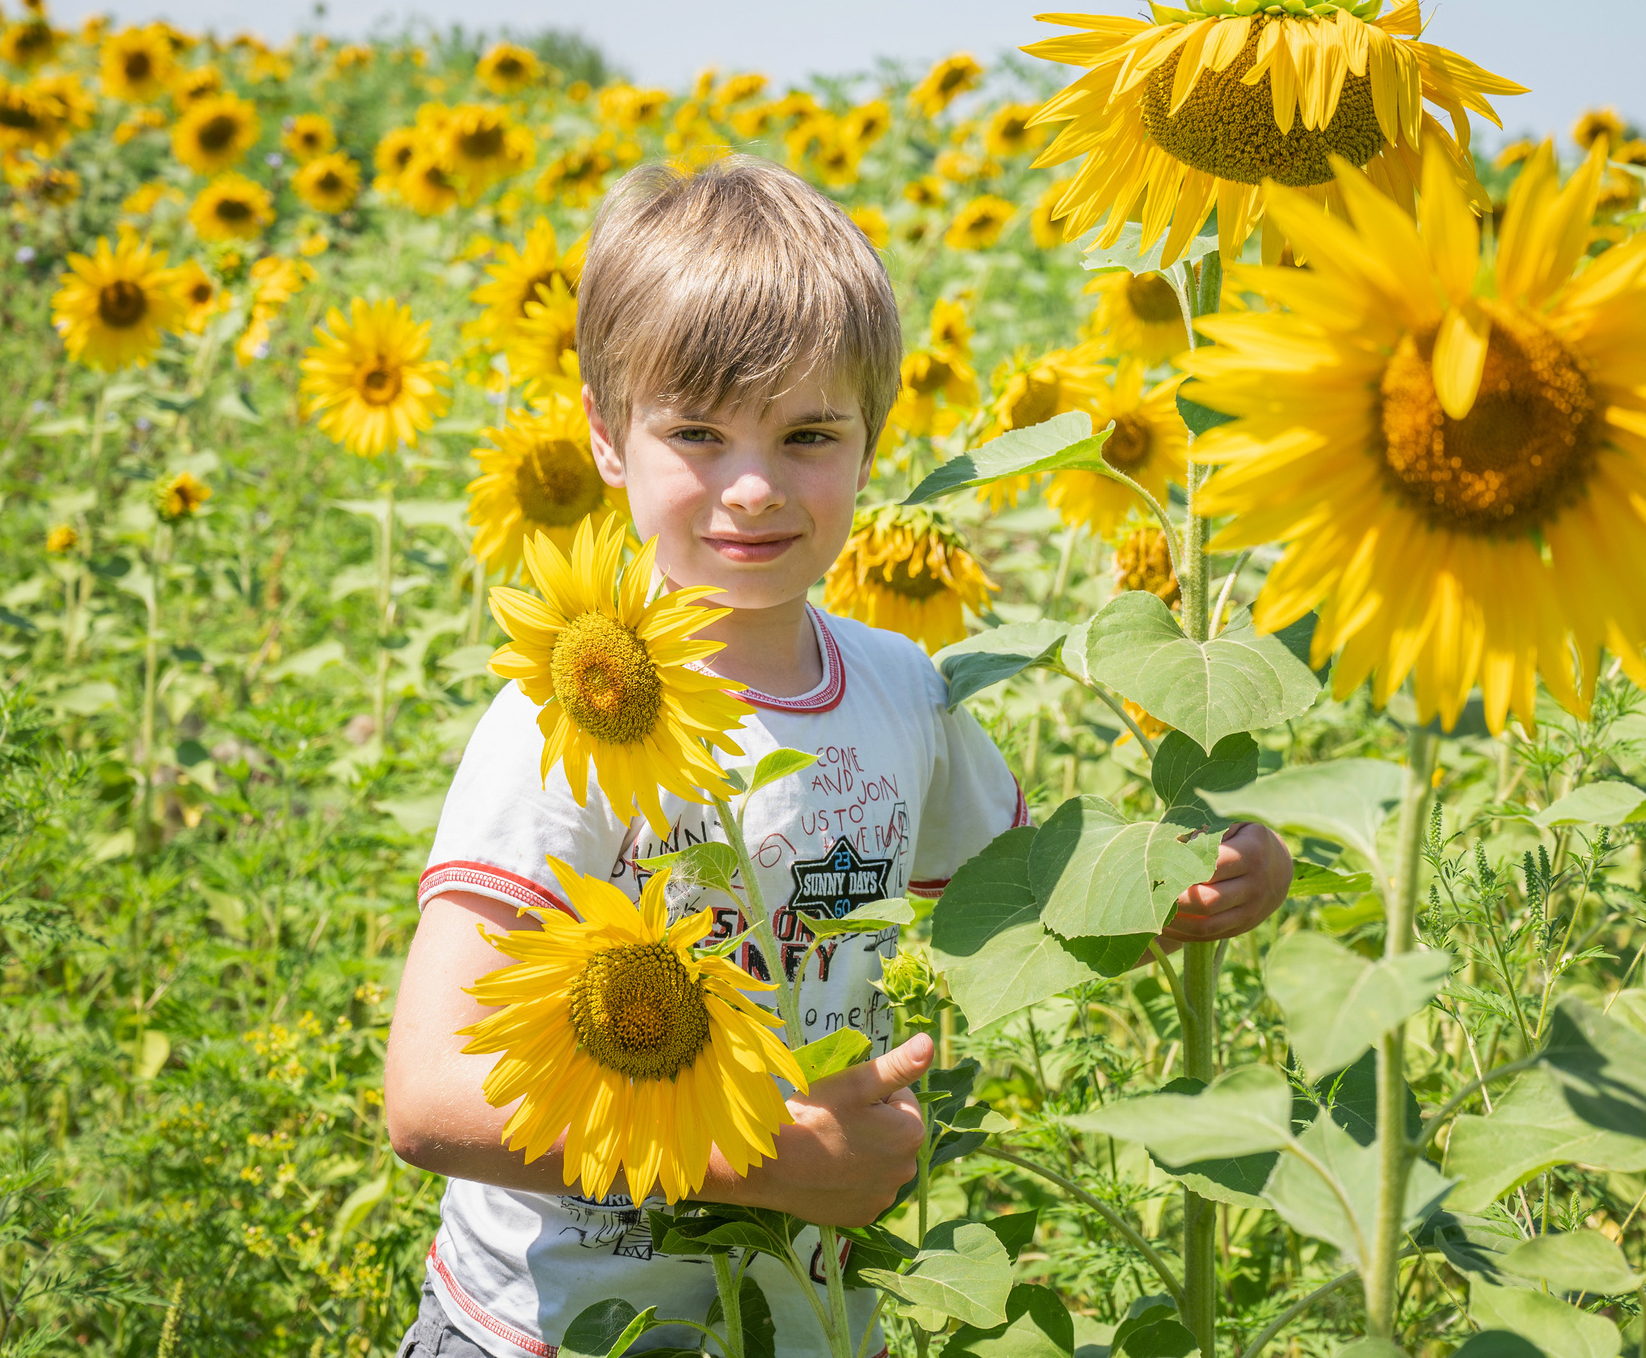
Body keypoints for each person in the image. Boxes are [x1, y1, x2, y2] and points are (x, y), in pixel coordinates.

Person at [381, 155, 1293, 1358]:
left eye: (808, 434)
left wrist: (1192, 882)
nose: (752, 488)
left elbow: (1027, 894)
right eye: (696, 434)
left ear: (873, 439)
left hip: (803, 1319)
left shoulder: (903, 690)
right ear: (607, 438)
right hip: (555, 1333)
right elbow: (431, 1102)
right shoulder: (568, 717)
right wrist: (763, 1156)